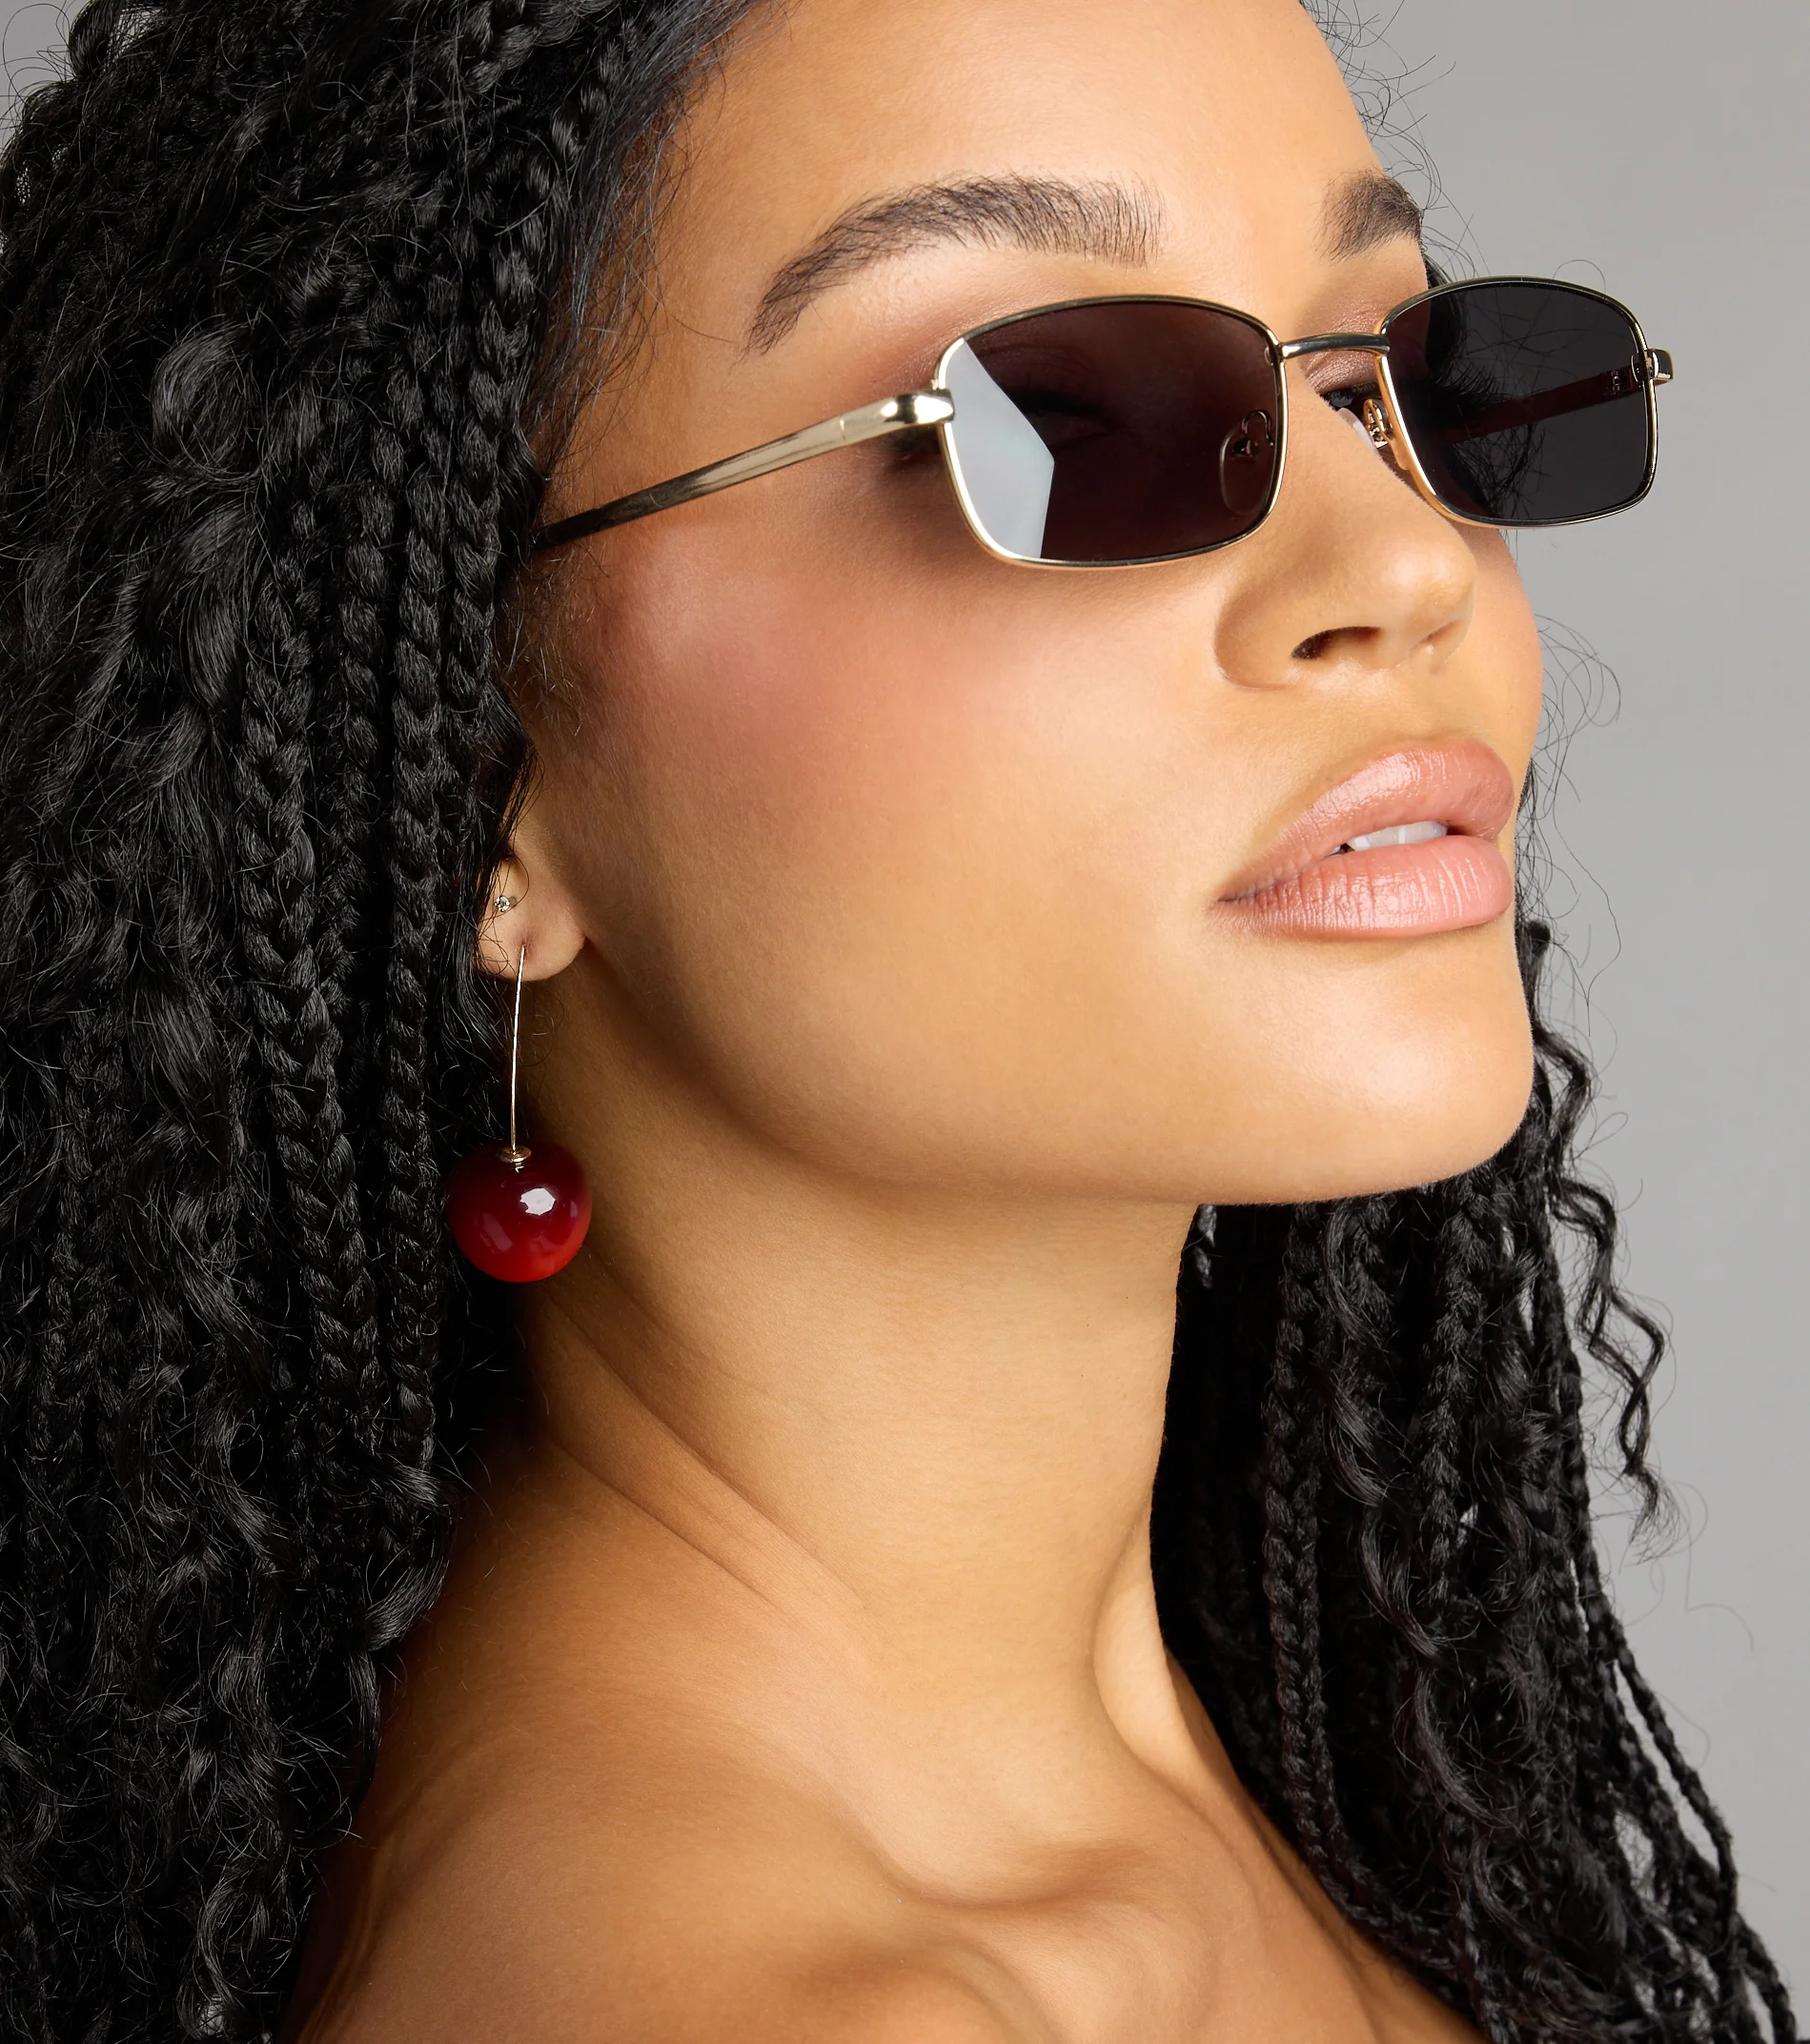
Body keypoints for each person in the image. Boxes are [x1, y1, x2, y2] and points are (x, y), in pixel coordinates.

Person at [0, 0, 1794, 2037]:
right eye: (1067, 416)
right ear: (473, 767)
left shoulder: (1266, 1795)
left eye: (1399, 377)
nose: (1403, 562)